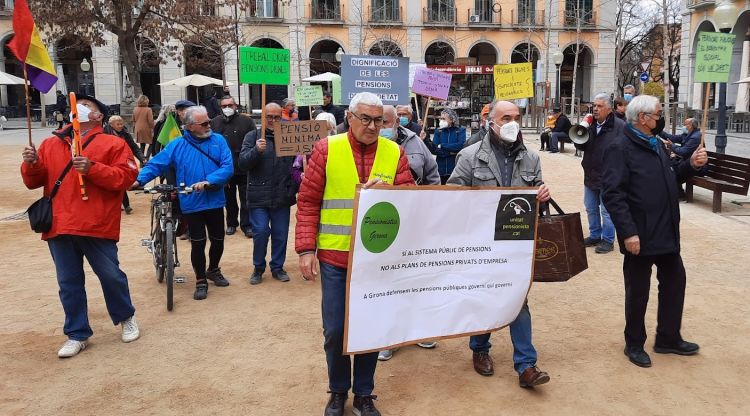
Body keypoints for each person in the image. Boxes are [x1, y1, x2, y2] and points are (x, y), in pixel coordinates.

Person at [296, 92, 415, 416]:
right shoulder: (326, 149)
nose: (373, 126)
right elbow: (307, 201)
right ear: (349, 118)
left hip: (378, 261)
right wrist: (307, 248)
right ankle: (338, 391)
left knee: (371, 328)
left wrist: (390, 192)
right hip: (335, 258)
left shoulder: (395, 152)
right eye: (366, 119)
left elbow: (412, 199)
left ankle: (363, 393)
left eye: (379, 120)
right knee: (335, 331)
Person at [21, 94, 140, 358]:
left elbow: (127, 177)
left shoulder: (113, 143)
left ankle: (126, 317)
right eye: (77, 106)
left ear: (99, 116)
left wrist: (93, 168)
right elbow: (34, 181)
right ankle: (77, 333)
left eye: (87, 106)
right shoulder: (51, 143)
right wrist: (30, 164)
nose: (80, 109)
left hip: (97, 223)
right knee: (68, 282)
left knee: (111, 276)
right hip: (60, 223)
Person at [447, 100, 552, 389]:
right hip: (481, 243)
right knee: (483, 297)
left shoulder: (530, 158)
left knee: (519, 299)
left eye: (516, 117)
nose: (512, 122)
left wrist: (541, 194)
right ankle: (480, 349)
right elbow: (453, 196)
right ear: (490, 121)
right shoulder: (469, 156)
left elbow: (536, 192)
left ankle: (526, 365)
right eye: (506, 117)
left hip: (516, 242)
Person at [601, 95, 708, 368]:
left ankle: (668, 337)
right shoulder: (620, 148)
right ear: (642, 118)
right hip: (640, 233)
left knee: (675, 282)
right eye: (658, 114)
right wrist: (628, 233)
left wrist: (691, 166)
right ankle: (634, 343)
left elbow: (671, 176)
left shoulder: (656, 143)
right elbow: (613, 194)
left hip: (667, 229)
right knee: (638, 290)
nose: (661, 119)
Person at [134, 105, 234, 300]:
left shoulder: (219, 141)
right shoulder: (177, 144)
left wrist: (210, 181)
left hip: (214, 200)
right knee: (198, 243)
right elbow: (157, 163)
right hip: (191, 202)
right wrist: (140, 179)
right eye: (204, 123)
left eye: (209, 121)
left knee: (218, 240)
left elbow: (228, 167)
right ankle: (200, 280)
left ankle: (213, 269)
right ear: (189, 126)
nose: (209, 125)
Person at [377, 105, 440, 362]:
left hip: (415, 221)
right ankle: (388, 337)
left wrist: (431, 203)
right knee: (388, 282)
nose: (381, 127)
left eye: (386, 122)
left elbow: (432, 172)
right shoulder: (369, 144)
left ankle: (420, 330)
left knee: (417, 276)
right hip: (383, 224)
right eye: (378, 121)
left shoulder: (415, 142)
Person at [239, 103, 298, 285]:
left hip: (282, 194)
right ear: (262, 117)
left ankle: (277, 267)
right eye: (269, 117)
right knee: (261, 232)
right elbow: (242, 163)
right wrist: (256, 151)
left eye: (276, 117)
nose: (273, 120)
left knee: (280, 234)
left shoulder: (289, 135)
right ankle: (258, 267)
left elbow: (298, 162)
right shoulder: (253, 136)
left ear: (282, 117)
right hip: (259, 195)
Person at [575, 93, 625, 254]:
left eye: (599, 106)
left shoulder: (620, 127)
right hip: (590, 174)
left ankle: (608, 240)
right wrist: (579, 135)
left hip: (609, 176)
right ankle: (595, 235)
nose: (595, 109)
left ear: (609, 109)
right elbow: (583, 147)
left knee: (607, 210)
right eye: (594, 106)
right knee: (590, 207)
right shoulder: (590, 125)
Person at [210, 95, 257, 238]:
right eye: (224, 106)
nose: (227, 108)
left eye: (230, 105)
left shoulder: (246, 121)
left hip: (243, 165)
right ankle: (231, 223)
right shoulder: (214, 122)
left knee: (246, 198)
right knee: (228, 198)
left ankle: (247, 225)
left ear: (235, 106)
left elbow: (254, 140)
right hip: (224, 168)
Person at [105, 115, 145, 214]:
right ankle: (121, 205)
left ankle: (126, 206)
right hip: (109, 162)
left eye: (121, 123)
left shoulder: (125, 133)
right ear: (111, 125)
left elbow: (134, 147)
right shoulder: (105, 133)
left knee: (121, 182)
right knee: (114, 184)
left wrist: (142, 159)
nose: (120, 126)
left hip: (122, 161)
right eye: (118, 124)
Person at [430, 108, 466, 184]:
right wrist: (450, 153)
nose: (441, 121)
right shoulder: (438, 131)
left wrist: (442, 145)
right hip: (441, 169)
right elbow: (434, 149)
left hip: (455, 169)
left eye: (444, 119)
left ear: (452, 120)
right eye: (440, 119)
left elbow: (460, 146)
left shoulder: (460, 130)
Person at [132, 95, 155, 160]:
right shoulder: (148, 109)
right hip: (147, 128)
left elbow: (133, 120)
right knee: (152, 143)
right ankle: (147, 158)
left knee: (142, 145)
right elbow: (150, 121)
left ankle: (142, 160)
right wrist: (153, 128)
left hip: (138, 128)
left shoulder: (135, 109)